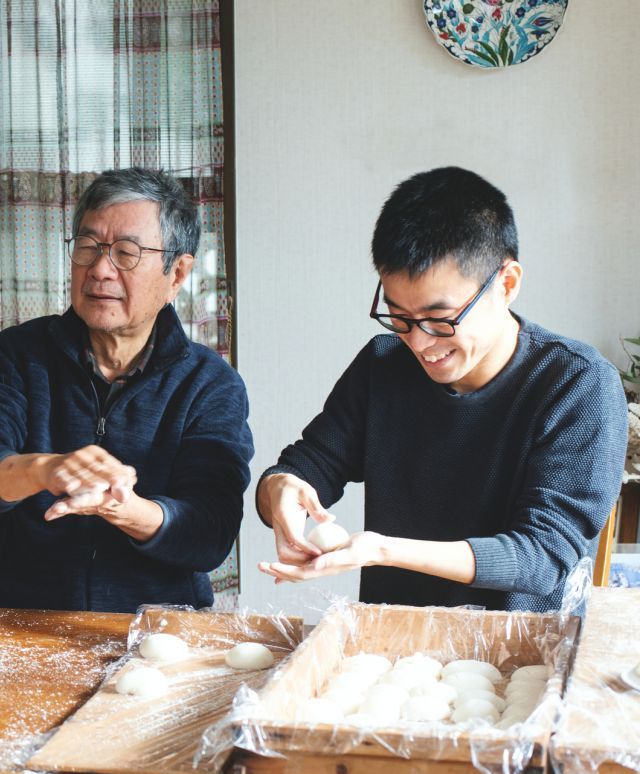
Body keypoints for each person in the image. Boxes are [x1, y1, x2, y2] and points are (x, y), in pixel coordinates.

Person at [0, 167, 253, 774]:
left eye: (127, 252)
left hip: (158, 635)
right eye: (87, 245)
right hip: (25, 625)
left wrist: (127, 509)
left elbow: (211, 529)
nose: (101, 268)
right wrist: (47, 468)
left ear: (179, 271)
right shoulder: (21, 355)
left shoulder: (209, 384)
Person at [256, 166, 627, 611]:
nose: (419, 342)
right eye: (399, 317)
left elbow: (543, 557)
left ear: (506, 284)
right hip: (394, 650)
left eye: (440, 318)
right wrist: (280, 489)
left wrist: (384, 551)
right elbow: (307, 465)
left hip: (522, 659)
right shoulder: (383, 365)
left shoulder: (578, 385)